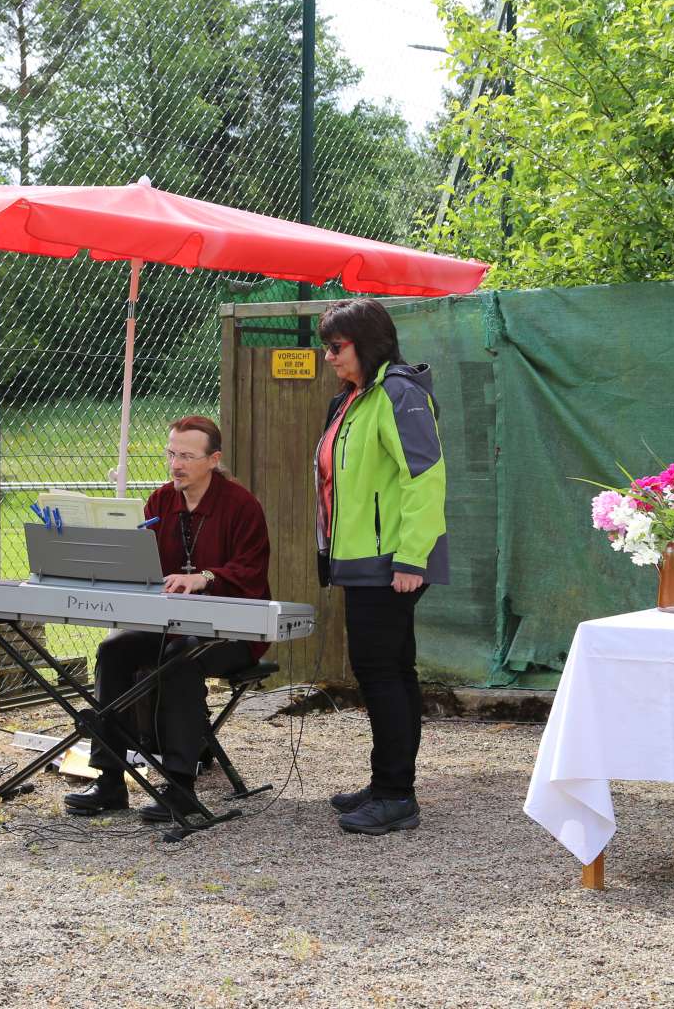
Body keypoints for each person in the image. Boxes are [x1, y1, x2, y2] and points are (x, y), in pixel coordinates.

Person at [64, 415, 272, 822]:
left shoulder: (242, 505)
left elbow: (251, 571)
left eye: (187, 456)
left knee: (181, 659)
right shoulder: (159, 501)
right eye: (171, 453)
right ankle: (109, 779)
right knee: (114, 650)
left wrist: (204, 578)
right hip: (171, 626)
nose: (176, 464)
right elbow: (146, 566)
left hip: (233, 631)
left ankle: (180, 786)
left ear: (214, 459)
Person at [314, 298, 447, 835]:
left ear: (367, 343)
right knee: (392, 673)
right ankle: (388, 783)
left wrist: (412, 558)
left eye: (336, 347)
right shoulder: (353, 400)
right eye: (326, 347)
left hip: (390, 564)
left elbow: (425, 478)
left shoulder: (399, 394)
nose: (328, 357)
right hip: (361, 562)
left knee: (381, 674)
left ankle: (396, 795)